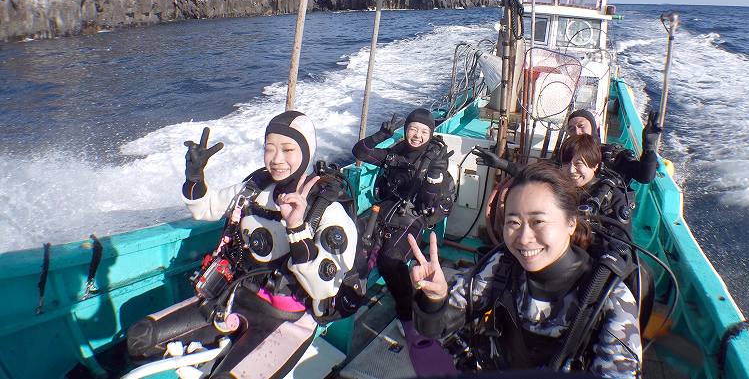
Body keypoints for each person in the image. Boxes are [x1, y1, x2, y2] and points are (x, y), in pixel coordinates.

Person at [126, 111, 358, 378]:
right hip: (232, 297)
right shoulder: (256, 187)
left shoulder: (326, 210)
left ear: (306, 151)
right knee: (140, 337)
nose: (277, 159)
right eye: (269, 148)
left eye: (287, 149)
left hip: (287, 319)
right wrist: (194, 179)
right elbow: (207, 208)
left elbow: (324, 289)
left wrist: (296, 228)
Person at [408, 162, 641, 376]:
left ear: (571, 222)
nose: (524, 237)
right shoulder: (502, 265)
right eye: (513, 222)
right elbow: (435, 329)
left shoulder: (609, 297)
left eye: (538, 221)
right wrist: (435, 300)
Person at [351, 108, 455, 334]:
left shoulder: (435, 160)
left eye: (424, 131)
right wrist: (380, 135)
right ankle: (352, 288)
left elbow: (428, 202)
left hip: (415, 216)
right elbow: (360, 152)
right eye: (413, 129)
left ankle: (406, 312)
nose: (417, 135)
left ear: (430, 134)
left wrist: (434, 177)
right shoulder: (396, 152)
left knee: (390, 260)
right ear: (406, 130)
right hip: (387, 208)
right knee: (352, 237)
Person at [567, 109, 660, 186]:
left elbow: (645, 176)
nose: (577, 132)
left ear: (593, 127)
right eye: (571, 129)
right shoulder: (564, 155)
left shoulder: (613, 155)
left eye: (581, 126)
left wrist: (649, 146)